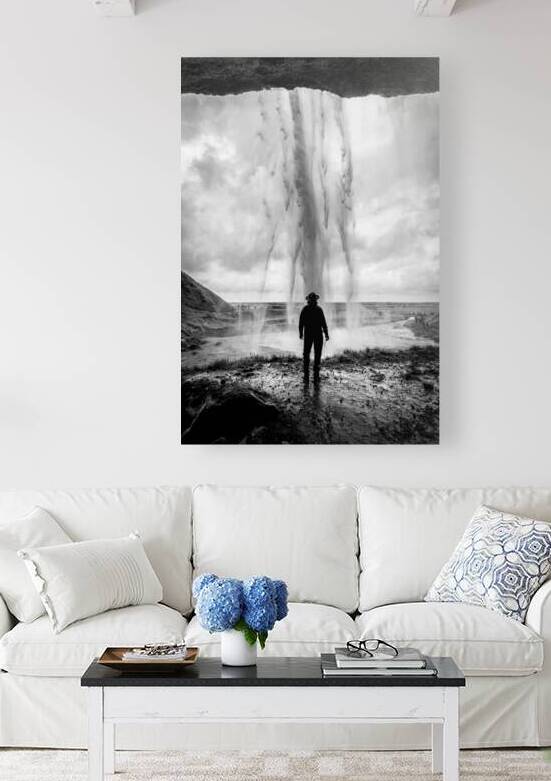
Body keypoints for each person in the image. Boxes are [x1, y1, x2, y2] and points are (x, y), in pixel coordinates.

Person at [299, 292, 329, 378]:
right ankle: (314, 369)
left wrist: (301, 333)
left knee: (308, 352)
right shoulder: (318, 309)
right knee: (315, 352)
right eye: (312, 299)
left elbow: (301, 323)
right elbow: (323, 323)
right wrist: (326, 334)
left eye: (312, 299)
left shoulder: (305, 309)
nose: (312, 301)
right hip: (317, 334)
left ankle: (308, 369)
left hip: (310, 333)